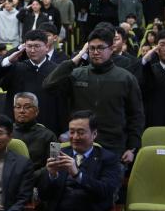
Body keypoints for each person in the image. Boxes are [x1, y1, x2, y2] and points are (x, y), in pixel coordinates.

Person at [43, 26, 144, 167]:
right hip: (79, 144)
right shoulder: (77, 74)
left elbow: (136, 116)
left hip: (113, 146)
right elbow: (48, 86)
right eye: (92, 48)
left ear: (111, 48)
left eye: (101, 48)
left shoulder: (126, 78)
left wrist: (132, 147)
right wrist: (75, 59)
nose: (96, 52)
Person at [0, 30, 65, 136]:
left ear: (47, 47)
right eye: (29, 46)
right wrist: (8, 60)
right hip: (17, 128)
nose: (32, 50)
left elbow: (63, 103)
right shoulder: (16, 68)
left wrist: (63, 130)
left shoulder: (57, 71)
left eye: (37, 46)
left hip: (49, 126)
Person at [11, 92, 57, 179]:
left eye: (27, 107)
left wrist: (31, 177)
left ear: (36, 111)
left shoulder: (50, 135)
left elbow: (56, 164)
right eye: (18, 107)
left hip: (38, 181)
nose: (22, 111)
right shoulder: (6, 133)